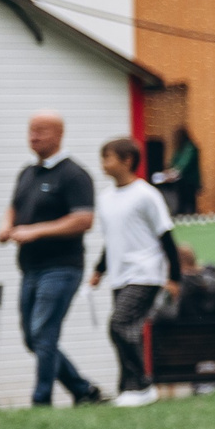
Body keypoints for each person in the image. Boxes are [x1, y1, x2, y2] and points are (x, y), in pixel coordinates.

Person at [0, 112, 103, 407]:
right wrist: (7, 226)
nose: (34, 137)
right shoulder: (27, 173)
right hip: (30, 269)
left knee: (44, 333)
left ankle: (41, 401)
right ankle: (82, 389)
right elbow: (13, 207)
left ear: (58, 134)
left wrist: (36, 231)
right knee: (33, 338)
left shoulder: (73, 175)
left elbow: (84, 219)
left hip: (61, 268)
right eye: (31, 131)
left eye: (41, 131)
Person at [89, 137, 182, 407]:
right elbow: (113, 240)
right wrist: (99, 270)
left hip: (145, 272)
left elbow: (166, 237)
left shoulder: (146, 195)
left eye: (108, 158)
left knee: (119, 324)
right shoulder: (105, 199)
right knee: (127, 330)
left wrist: (174, 277)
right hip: (119, 275)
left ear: (127, 160)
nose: (103, 164)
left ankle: (142, 384)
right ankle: (128, 388)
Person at [152, 123, 202, 217]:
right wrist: (168, 171)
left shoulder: (190, 147)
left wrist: (174, 172)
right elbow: (174, 162)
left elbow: (184, 164)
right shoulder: (180, 148)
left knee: (190, 203)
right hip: (180, 182)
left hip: (189, 181)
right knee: (181, 202)